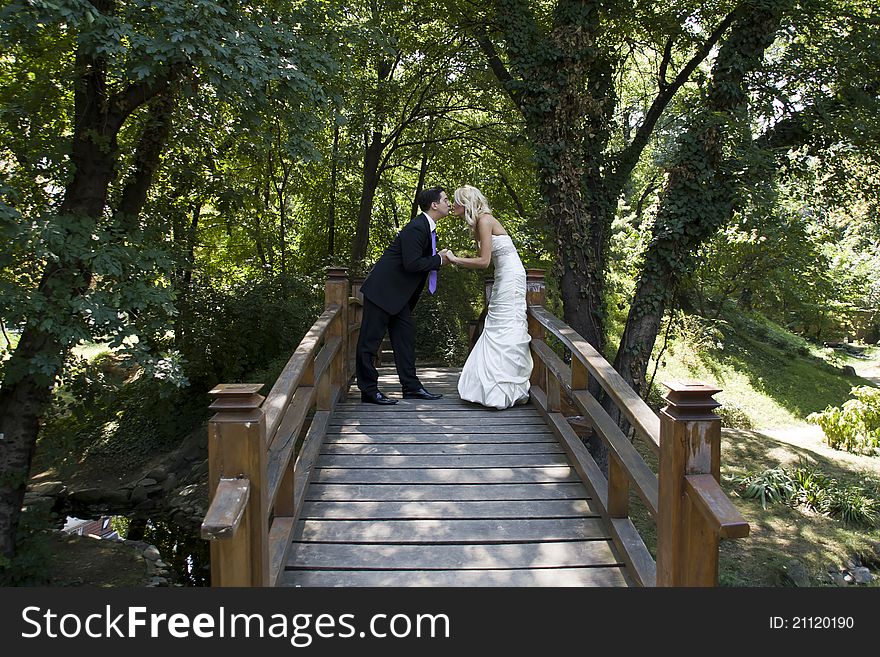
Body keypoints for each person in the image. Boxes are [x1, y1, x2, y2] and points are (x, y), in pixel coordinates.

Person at [356, 186, 452, 404]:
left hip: (398, 298)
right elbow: (411, 264)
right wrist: (439, 260)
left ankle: (411, 387)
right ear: (434, 205)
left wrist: (437, 258)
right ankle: (369, 391)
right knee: (369, 344)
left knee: (405, 341)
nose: (449, 203)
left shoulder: (426, 228)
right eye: (445, 199)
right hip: (382, 292)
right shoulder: (417, 228)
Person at [447, 185, 533, 409]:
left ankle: (505, 388)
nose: (453, 206)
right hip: (502, 274)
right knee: (495, 323)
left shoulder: (485, 220)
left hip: (511, 276)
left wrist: (455, 260)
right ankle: (488, 387)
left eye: (456, 202)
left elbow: (483, 261)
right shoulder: (478, 224)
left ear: (466, 203)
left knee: (506, 324)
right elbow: (485, 261)